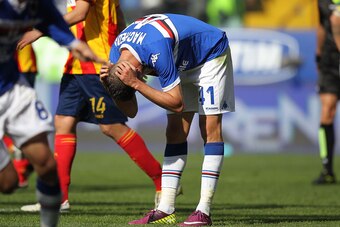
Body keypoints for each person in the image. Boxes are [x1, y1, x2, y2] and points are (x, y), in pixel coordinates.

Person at [19, 0, 164, 212]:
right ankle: (59, 197)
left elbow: (80, 13)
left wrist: (39, 31)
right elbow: (118, 13)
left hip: (97, 65)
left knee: (112, 127)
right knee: (63, 122)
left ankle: (162, 181)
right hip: (76, 65)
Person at [100, 14, 234, 226]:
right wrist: (109, 85)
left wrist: (137, 84)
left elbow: (177, 104)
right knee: (174, 131)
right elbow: (131, 111)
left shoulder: (156, 48)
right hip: (181, 60)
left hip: (209, 53)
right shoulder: (116, 55)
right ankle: (166, 208)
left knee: (208, 128)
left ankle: (204, 211)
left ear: (135, 71)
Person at [0, 0, 103, 226]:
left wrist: (74, 43)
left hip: (12, 89)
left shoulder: (35, 5)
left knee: (46, 165)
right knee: (6, 183)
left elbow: (52, 22)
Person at [312, 0, 340, 184]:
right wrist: (319, 53)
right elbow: (323, 25)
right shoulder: (322, 2)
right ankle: (327, 169)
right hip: (330, 62)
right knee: (327, 110)